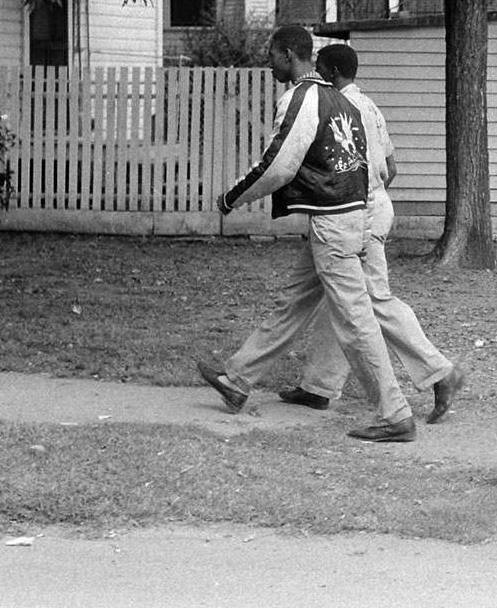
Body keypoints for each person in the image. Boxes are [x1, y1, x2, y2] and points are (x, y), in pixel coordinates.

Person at [195, 25, 417, 442]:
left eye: (272, 54)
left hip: (334, 225)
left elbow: (279, 163)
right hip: (350, 217)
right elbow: (372, 168)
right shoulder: (341, 99)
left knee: (355, 323)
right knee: (292, 303)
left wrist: (232, 197)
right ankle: (237, 380)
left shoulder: (302, 97)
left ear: (288, 55)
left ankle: (395, 414)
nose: (268, 61)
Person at [277, 44, 467, 424]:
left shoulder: (334, 107)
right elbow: (390, 167)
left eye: (319, 69)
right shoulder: (371, 106)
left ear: (330, 72)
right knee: (342, 300)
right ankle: (318, 387)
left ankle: (441, 372)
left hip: (353, 212)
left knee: (374, 301)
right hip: (369, 205)